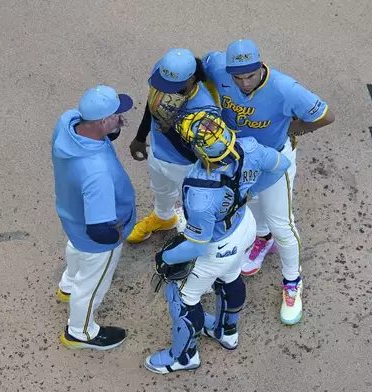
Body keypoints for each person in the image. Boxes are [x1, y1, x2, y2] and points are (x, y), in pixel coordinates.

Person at [144, 108, 291, 374]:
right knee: (231, 278)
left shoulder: (201, 191)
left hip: (214, 246)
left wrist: (164, 257)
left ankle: (185, 357)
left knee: (182, 296)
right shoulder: (249, 147)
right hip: (243, 227)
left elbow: (196, 245)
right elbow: (282, 165)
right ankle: (226, 332)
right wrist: (252, 191)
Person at [201, 39, 336, 325]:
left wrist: (287, 129)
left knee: (282, 223)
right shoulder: (218, 67)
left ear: (261, 65)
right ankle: (262, 239)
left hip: (275, 160)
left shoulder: (285, 88)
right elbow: (201, 67)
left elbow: (326, 116)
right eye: (238, 77)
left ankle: (292, 282)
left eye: (250, 75)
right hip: (240, 158)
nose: (244, 82)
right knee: (254, 202)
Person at [51, 85, 136, 350]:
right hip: (96, 234)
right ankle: (80, 331)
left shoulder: (68, 123)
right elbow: (99, 230)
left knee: (75, 249)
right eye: (116, 115)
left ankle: (67, 285)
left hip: (72, 214)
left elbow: (97, 136)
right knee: (91, 285)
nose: (121, 118)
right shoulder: (96, 173)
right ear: (102, 120)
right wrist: (117, 236)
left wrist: (110, 130)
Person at [126, 48, 217, 243]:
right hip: (157, 154)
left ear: (192, 79)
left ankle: (194, 241)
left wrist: (171, 133)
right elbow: (153, 104)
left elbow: (199, 155)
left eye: (171, 86)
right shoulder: (163, 73)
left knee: (193, 204)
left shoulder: (206, 110)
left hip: (186, 166)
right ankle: (164, 217)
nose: (164, 89)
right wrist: (140, 137)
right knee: (161, 191)